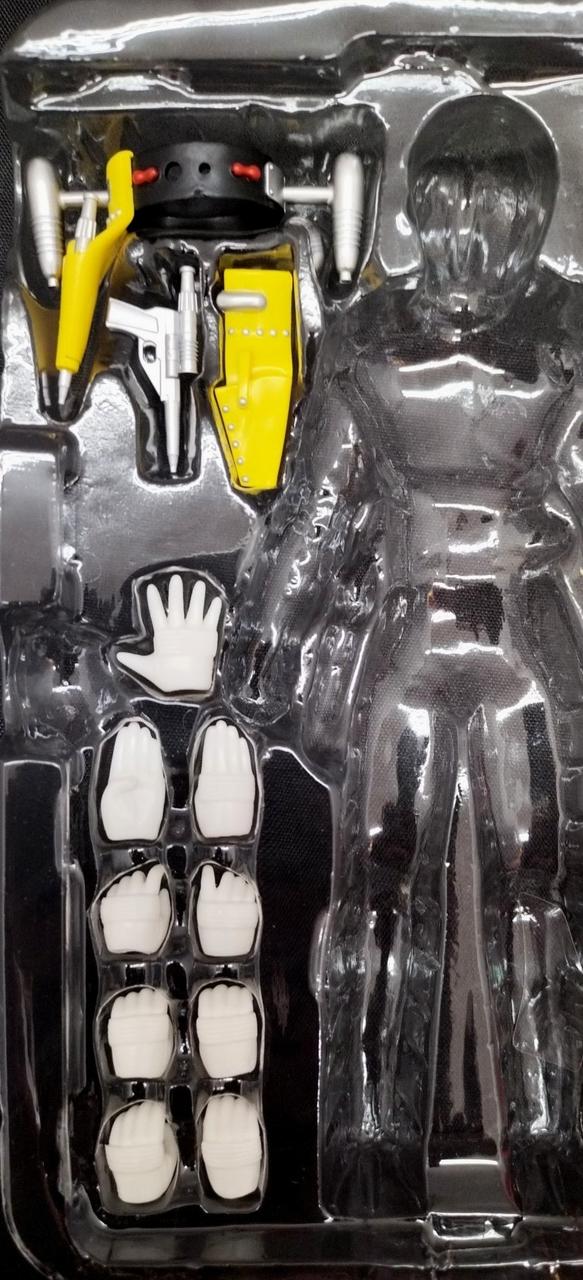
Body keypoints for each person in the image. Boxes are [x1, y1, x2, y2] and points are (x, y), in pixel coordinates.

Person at [228, 93, 583, 1216]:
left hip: (493, 630)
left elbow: (317, 508)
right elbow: (318, 505)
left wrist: (268, 633)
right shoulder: (394, 334)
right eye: (458, 220)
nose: (475, 248)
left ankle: (531, 1132)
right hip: (454, 628)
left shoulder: (536, 330)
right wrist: (267, 633)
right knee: (401, 885)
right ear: (424, 216)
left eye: (496, 224)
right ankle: (383, 1138)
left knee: (514, 888)